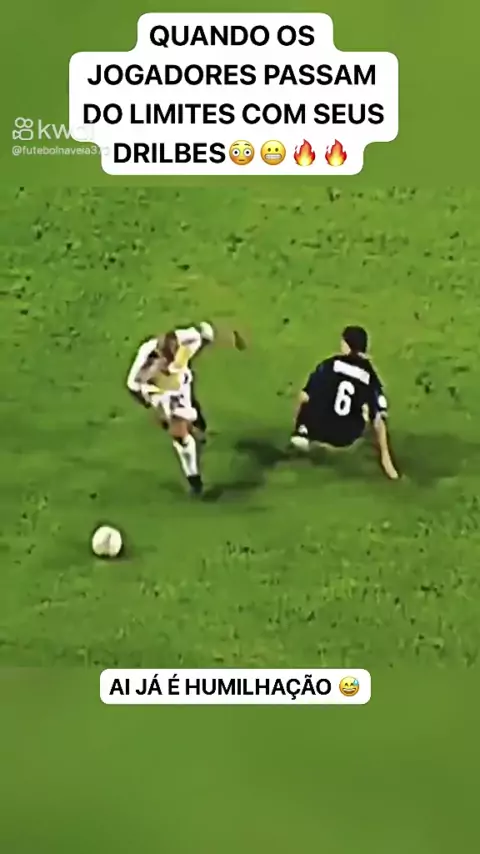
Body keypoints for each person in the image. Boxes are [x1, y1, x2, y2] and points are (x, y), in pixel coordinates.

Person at [126, 323, 246, 495]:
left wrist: (232, 339)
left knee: (193, 415)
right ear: (159, 354)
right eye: (167, 357)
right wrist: (147, 402)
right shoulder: (145, 359)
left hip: (182, 385)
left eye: (174, 353)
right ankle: (194, 478)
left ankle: (196, 424)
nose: (172, 359)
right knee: (180, 434)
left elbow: (206, 333)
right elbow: (132, 385)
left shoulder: (185, 341)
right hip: (160, 393)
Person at [290, 325, 399, 480]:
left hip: (320, 430)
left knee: (312, 398)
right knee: (367, 412)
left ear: (347, 344)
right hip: (347, 436)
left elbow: (303, 397)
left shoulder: (330, 364)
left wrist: (297, 423)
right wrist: (386, 460)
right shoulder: (369, 375)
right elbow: (379, 419)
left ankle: (302, 433)